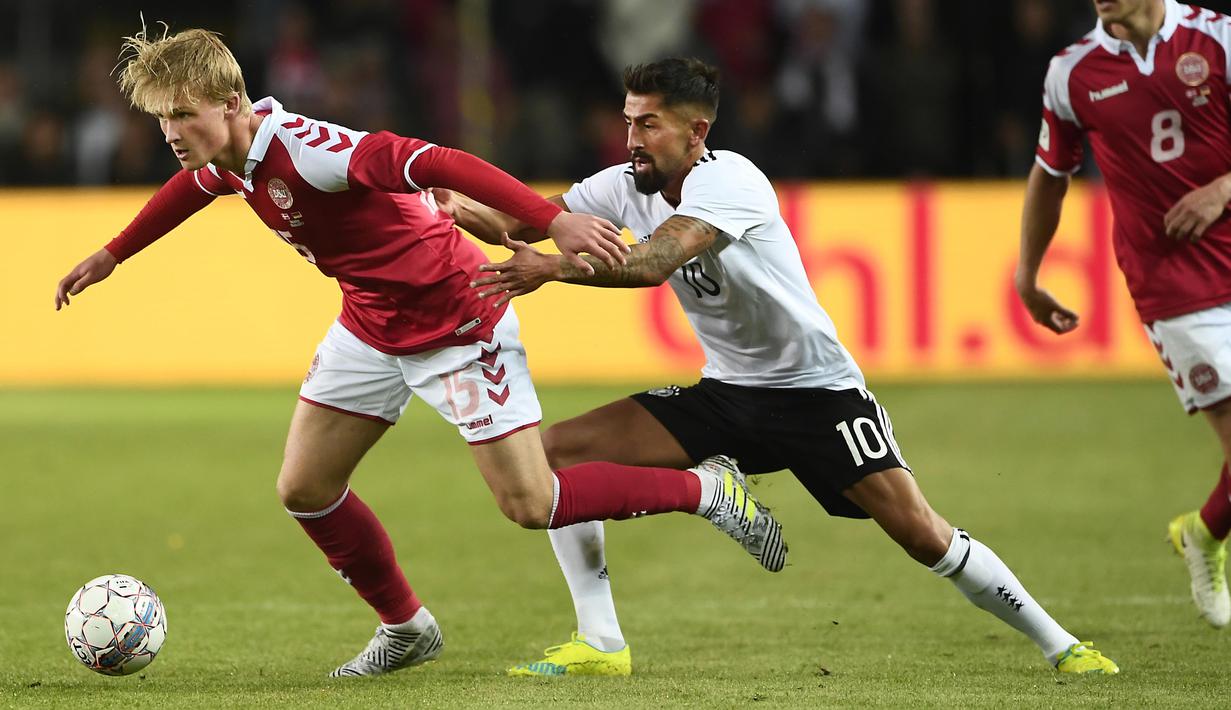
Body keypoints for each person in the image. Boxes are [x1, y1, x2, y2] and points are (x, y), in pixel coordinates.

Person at [52, 27, 790, 678]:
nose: (172, 131)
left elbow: (439, 161)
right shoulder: (231, 158)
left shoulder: (314, 151)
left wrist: (551, 222)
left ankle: (705, 490)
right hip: (371, 326)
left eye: (183, 113)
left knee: (531, 504)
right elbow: (195, 185)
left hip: (456, 319)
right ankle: (406, 628)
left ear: (232, 102)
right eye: (160, 118)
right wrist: (114, 254)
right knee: (305, 489)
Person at [439, 57, 1119, 676]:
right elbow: (529, 221)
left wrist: (552, 270)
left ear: (695, 131)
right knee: (552, 455)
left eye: (647, 125)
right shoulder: (626, 184)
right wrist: (456, 207)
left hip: (815, 396)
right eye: (627, 122)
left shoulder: (729, 181)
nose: (631, 140)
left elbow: (651, 263)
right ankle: (601, 643)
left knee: (920, 534)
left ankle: (1063, 645)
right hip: (727, 394)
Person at [1019, 0, 1231, 629]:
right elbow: (1049, 175)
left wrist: (1223, 188)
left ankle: (1204, 530)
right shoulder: (1073, 73)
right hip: (1175, 284)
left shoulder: (1218, 38)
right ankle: (1205, 534)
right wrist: (1026, 275)